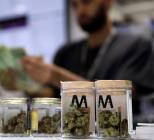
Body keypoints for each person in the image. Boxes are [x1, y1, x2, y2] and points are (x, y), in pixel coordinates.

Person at [22, 0, 154, 119]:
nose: (80, 11)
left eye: (86, 2)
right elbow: (51, 98)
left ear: (108, 2)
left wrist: (56, 76)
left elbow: (119, 100)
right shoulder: (65, 53)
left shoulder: (135, 46)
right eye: (75, 5)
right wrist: (24, 83)